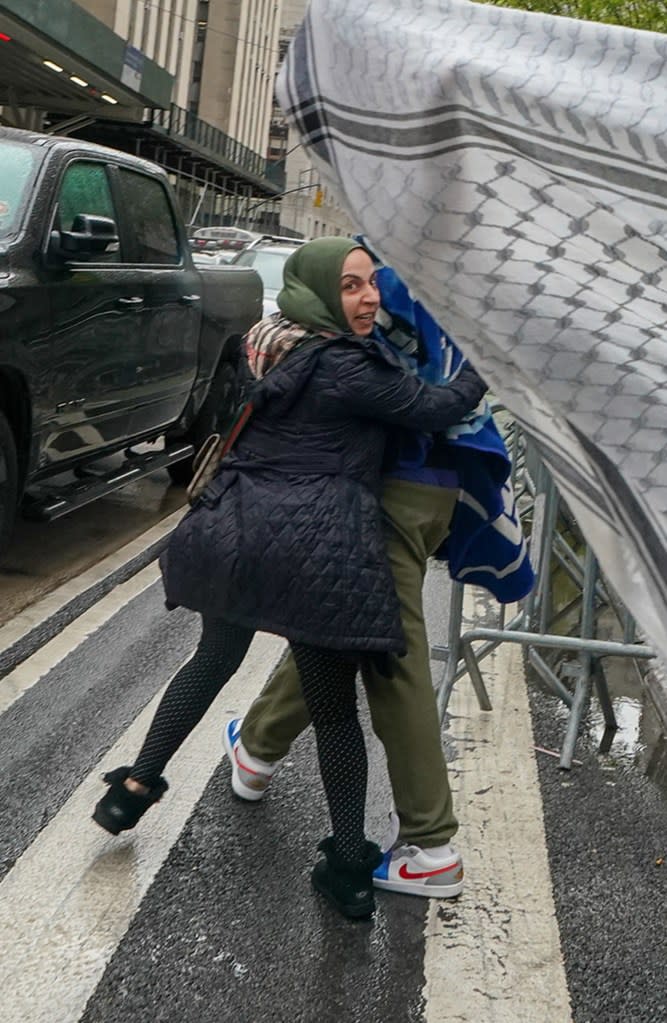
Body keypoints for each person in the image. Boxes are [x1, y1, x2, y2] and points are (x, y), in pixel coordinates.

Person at [92, 236, 487, 921]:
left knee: (212, 659)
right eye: (352, 287)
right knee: (333, 709)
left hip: (234, 532)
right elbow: (437, 407)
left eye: (370, 285)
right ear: (319, 293)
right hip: (312, 553)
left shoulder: (269, 342)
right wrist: (486, 359)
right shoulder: (347, 366)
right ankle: (347, 867)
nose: (367, 299)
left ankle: (132, 787)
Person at [223, 262, 534, 901]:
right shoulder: (461, 268)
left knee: (392, 658)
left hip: (391, 482)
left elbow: (420, 395)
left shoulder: (390, 265)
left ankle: (431, 845)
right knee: (339, 628)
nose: (363, 293)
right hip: (435, 486)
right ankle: (255, 745)